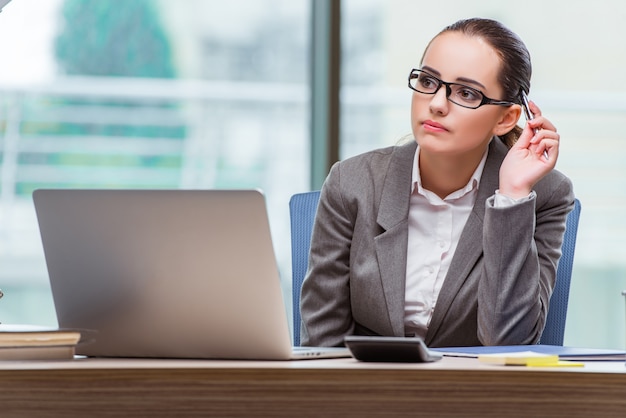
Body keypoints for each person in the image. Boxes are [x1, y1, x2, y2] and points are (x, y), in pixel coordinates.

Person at [300, 17, 575, 348]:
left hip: (478, 393)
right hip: (369, 392)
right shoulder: (353, 182)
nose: (437, 104)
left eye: (466, 93)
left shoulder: (545, 195)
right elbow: (321, 343)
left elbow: (508, 342)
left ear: (506, 118)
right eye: (428, 82)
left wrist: (511, 197)